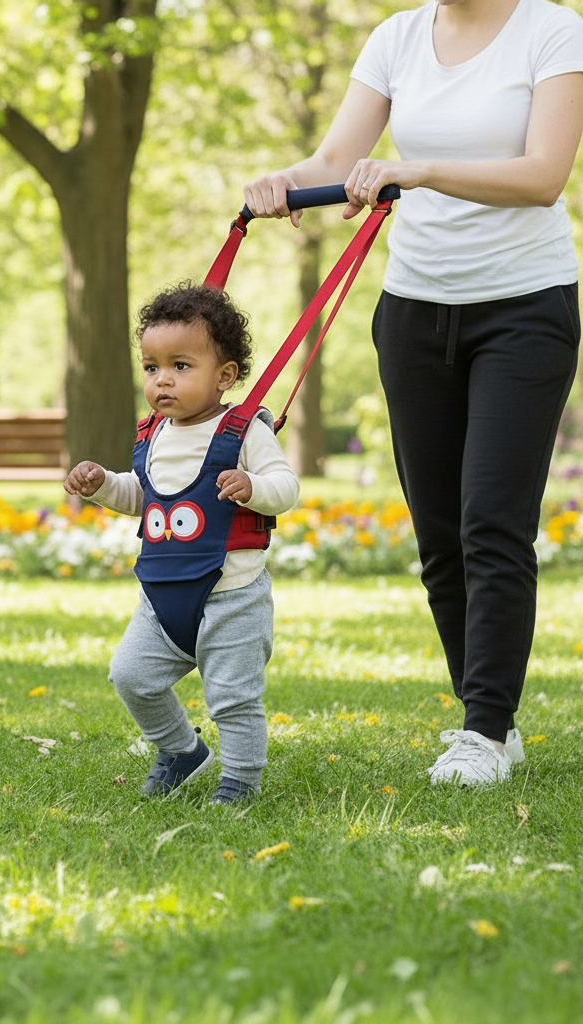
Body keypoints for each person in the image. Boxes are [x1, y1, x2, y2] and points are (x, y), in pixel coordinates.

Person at [244, 0, 583, 786]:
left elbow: (543, 177)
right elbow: (336, 159)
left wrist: (419, 170)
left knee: (491, 523)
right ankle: (488, 717)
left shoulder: (553, 29)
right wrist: (281, 184)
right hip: (414, 312)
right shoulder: (397, 36)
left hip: (523, 309)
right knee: (439, 538)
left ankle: (484, 732)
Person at [64, 284, 299, 804]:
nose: (162, 379)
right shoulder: (154, 433)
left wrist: (253, 488)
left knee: (233, 699)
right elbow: (142, 496)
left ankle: (239, 780)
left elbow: (286, 489)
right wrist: (102, 483)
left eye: (180, 366)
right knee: (130, 676)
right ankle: (182, 751)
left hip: (232, 597)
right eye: (151, 367)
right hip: (161, 598)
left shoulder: (244, 432)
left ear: (225, 376)